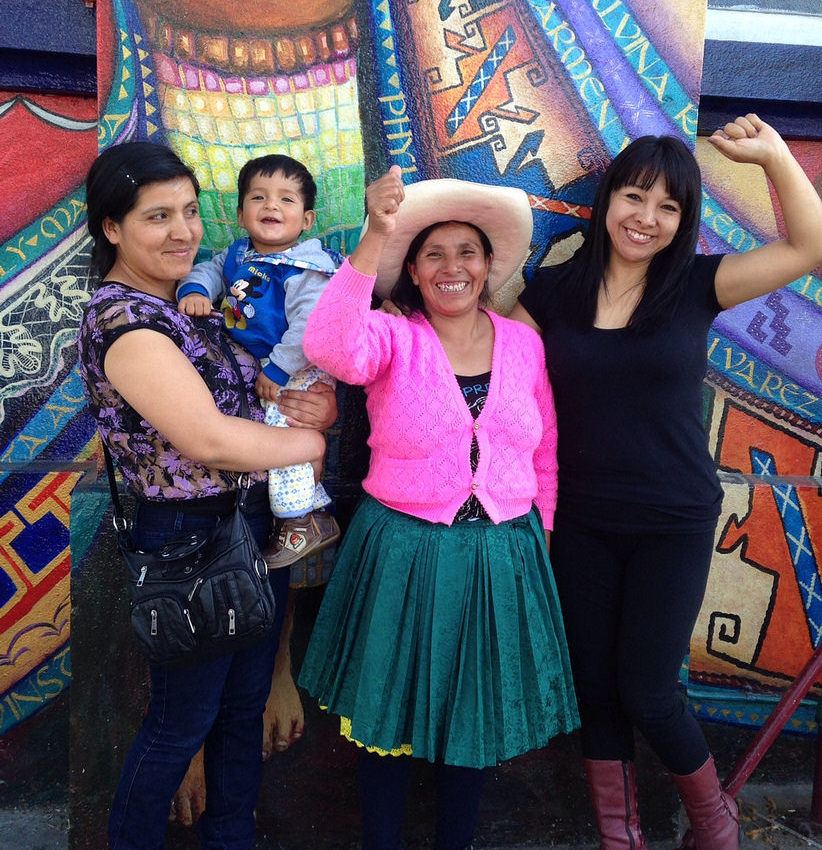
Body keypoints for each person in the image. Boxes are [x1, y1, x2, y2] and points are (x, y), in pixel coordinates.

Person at [509, 113, 822, 850]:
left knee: (649, 689)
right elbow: (474, 347)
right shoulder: (552, 294)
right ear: (608, 198)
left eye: (669, 206)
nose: (646, 218)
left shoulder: (696, 285)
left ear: (683, 220)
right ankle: (622, 839)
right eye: (634, 197)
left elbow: (810, 248)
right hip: (580, 519)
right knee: (597, 690)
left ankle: (716, 825)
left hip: (673, 520)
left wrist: (776, 156)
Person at [298, 166, 579, 850]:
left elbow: (544, 451)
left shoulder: (525, 344)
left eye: (467, 253)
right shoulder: (396, 340)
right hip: (403, 548)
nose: (452, 268)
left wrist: (537, 531)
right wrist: (376, 236)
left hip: (502, 553)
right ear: (415, 274)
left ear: (488, 266)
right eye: (434, 254)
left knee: (472, 715)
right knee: (385, 717)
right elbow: (328, 347)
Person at [77, 141, 336, 850]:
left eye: (190, 211)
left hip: (250, 524)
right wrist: (313, 447)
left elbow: (270, 394)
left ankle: (232, 838)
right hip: (187, 537)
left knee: (241, 708)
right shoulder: (122, 320)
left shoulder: (197, 305)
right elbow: (211, 439)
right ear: (112, 228)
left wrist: (317, 411)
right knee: (179, 723)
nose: (183, 231)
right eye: (157, 216)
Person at [176, 153, 342, 568]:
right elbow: (210, 272)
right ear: (240, 213)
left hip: (297, 366)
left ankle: (301, 520)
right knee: (274, 433)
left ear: (306, 220)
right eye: (259, 197)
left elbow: (312, 325)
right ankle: (308, 510)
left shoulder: (305, 268)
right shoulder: (237, 255)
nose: (271, 206)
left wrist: (280, 368)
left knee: (283, 433)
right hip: (270, 364)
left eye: (286, 200)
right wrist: (194, 291)